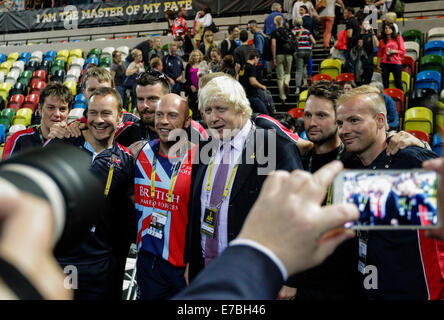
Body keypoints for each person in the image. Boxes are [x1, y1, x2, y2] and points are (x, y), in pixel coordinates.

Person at [184, 75, 304, 289]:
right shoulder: (204, 149)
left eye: (221, 109)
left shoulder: (271, 146)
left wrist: (290, 278)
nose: (213, 118)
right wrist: (190, 260)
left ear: (241, 107)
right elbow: (195, 208)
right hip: (206, 270)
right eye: (208, 111)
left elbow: (296, 214)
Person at [336, 85, 444, 300]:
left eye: (354, 120)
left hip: (415, 291)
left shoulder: (410, 161)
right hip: (371, 285)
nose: (344, 130)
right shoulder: (350, 162)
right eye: (340, 123)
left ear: (380, 120)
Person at [45, 87, 135, 300]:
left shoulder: (126, 160)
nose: (98, 120)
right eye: (93, 112)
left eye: (106, 113)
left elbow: (134, 208)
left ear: (120, 116)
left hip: (101, 264)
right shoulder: (62, 143)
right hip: (61, 261)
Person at [133, 94, 198, 300]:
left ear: (187, 121)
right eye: (159, 114)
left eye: (172, 115)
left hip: (184, 268)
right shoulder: (140, 152)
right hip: (148, 263)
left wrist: (195, 263)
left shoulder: (200, 159)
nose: (164, 121)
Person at [2, 82, 72, 160]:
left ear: (68, 112)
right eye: (51, 108)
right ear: (40, 109)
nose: (57, 114)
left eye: (62, 109)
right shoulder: (18, 140)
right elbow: (5, 171)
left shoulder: (74, 141)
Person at [115, 71, 167, 147]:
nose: (145, 105)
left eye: (152, 99)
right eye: (140, 99)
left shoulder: (185, 131)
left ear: (167, 99)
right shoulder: (127, 134)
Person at [238, 50, 269, 115]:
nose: (258, 61)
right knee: (266, 115)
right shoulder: (251, 67)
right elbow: (252, 81)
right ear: (255, 58)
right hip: (252, 96)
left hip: (244, 96)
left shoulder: (243, 67)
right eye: (258, 59)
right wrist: (262, 86)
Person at [377, 23, 406, 91]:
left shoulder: (398, 38)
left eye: (389, 28)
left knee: (398, 82)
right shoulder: (382, 41)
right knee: (385, 83)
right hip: (385, 63)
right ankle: (386, 99)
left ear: (393, 30)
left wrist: (394, 51)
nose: (387, 30)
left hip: (395, 62)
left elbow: (403, 51)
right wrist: (378, 65)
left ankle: (402, 99)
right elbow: (379, 54)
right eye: (386, 28)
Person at [271, 15, 293, 103]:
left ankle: (283, 97)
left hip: (279, 55)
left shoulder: (274, 32)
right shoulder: (288, 31)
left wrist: (274, 57)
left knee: (280, 77)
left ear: (275, 23)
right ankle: (287, 82)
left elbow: (273, 45)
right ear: (283, 22)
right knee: (288, 73)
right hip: (289, 55)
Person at [292, 17, 316, 95]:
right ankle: (305, 82)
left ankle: (297, 88)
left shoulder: (294, 31)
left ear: (294, 23)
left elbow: (292, 41)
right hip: (308, 51)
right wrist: (310, 48)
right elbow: (314, 41)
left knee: (299, 69)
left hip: (299, 51)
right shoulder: (307, 31)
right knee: (304, 66)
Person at [184, 49, 205, 118]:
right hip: (192, 88)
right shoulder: (189, 65)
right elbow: (187, 77)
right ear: (191, 57)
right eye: (194, 56)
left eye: (197, 56)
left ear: (200, 56)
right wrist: (191, 85)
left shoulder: (202, 64)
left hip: (201, 88)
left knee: (201, 106)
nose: (196, 57)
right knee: (192, 106)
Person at [343, 7, 361, 74]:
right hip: (357, 46)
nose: (343, 15)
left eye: (345, 13)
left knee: (350, 66)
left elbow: (349, 35)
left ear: (349, 13)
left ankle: (351, 81)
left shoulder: (350, 22)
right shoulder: (357, 21)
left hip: (351, 47)